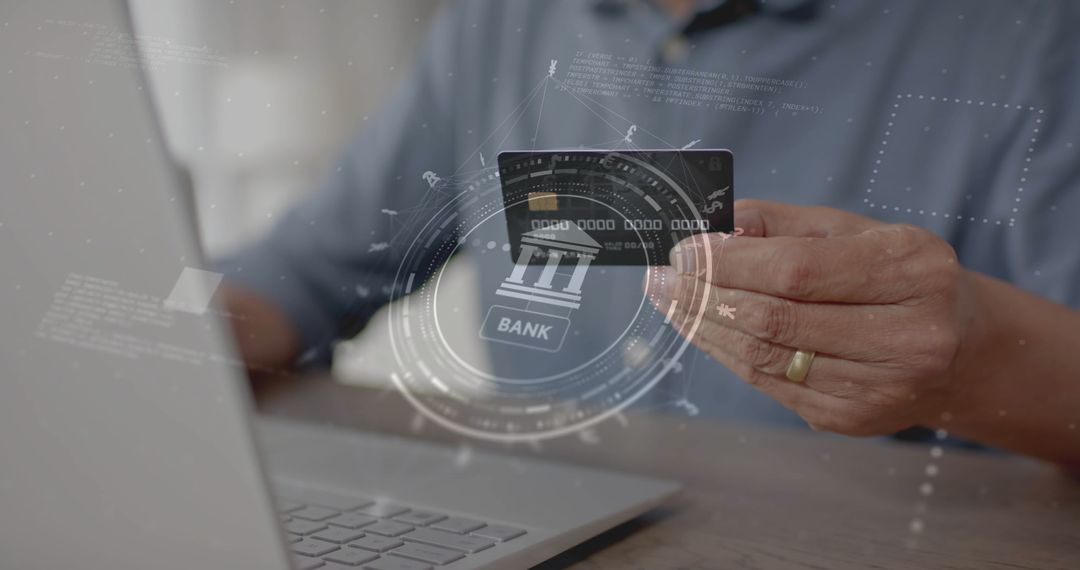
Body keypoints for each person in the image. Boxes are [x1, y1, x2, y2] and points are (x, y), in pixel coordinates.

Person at [215, 0, 1080, 470]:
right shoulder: (495, 23)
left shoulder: (1035, 36)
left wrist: (973, 357)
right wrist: (165, 322)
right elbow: (299, 276)